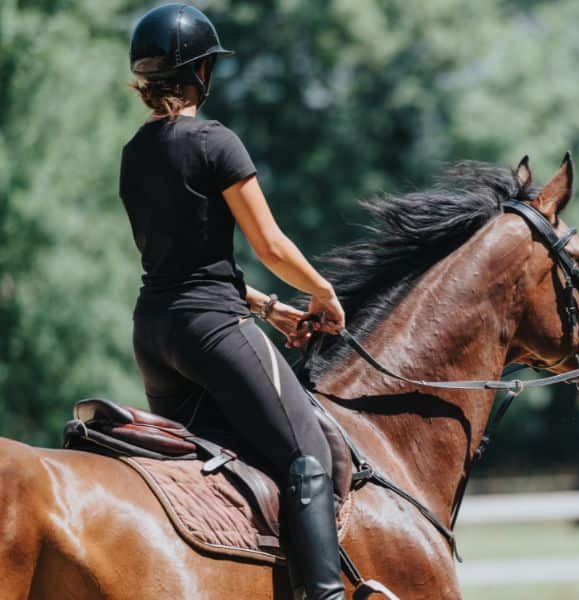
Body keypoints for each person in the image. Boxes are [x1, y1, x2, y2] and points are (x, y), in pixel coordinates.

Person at [120, 4, 348, 599]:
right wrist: (323, 293)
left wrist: (269, 310)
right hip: (211, 332)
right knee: (309, 453)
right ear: (203, 74)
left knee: (216, 464)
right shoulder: (216, 141)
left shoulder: (134, 153)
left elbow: (178, 264)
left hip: (154, 335)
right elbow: (270, 244)